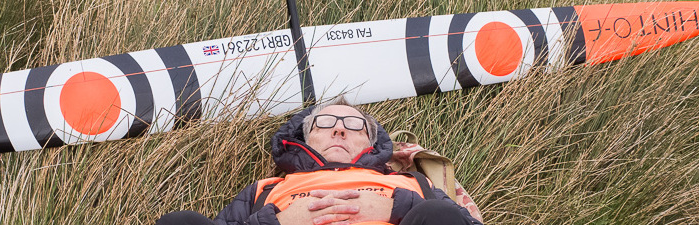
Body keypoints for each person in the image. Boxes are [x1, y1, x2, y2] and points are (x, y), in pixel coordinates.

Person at [157, 97, 482, 225]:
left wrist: (395, 206)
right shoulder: (265, 189)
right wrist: (279, 221)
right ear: (304, 139)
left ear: (372, 141)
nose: (339, 128)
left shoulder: (412, 182)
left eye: (354, 124)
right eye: (324, 123)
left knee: (436, 213)